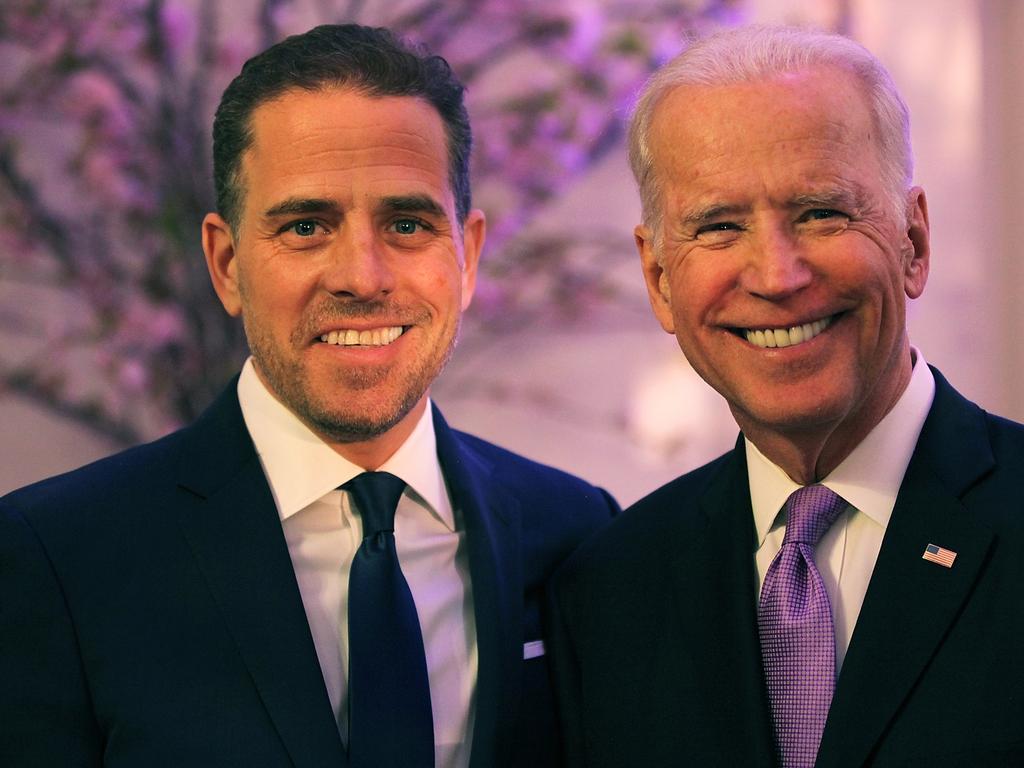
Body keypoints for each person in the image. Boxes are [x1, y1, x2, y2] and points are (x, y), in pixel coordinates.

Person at [0, 24, 617, 768]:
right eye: (305, 226)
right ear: (227, 265)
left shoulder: (578, 534)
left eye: (407, 223)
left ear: (468, 255)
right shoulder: (54, 558)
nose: (362, 274)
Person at [548, 24, 1024, 768]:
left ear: (914, 241)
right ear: (659, 280)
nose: (776, 275)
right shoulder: (609, 589)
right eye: (719, 225)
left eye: (821, 212)